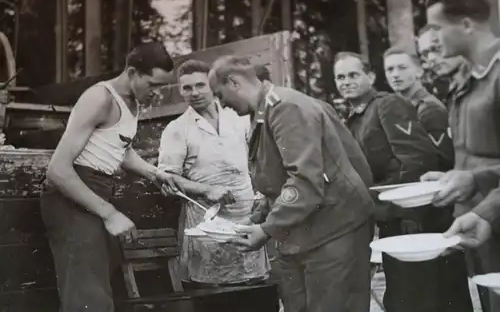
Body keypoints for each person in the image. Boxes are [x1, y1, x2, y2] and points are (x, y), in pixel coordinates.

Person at [208, 55, 374, 312]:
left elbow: (304, 180)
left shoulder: (286, 107)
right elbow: (277, 181)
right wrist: (256, 220)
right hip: (306, 232)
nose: (221, 104)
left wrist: (267, 229)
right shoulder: (265, 112)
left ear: (233, 82)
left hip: (333, 230)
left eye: (220, 95)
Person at [40, 42, 185, 312]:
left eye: (162, 88)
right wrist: (110, 214)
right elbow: (58, 170)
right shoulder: (100, 98)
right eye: (153, 85)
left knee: (102, 290)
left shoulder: (132, 101)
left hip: (97, 193)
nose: (158, 95)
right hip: (72, 196)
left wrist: (154, 173)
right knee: (88, 298)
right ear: (132, 72)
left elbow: (119, 147)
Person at [335, 51, 473, 312]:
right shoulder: (355, 118)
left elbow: (417, 158)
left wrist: (410, 212)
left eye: (353, 74)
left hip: (417, 218)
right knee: (404, 295)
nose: (346, 81)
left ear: (371, 76)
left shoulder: (387, 105)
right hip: (393, 219)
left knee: (429, 296)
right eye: (340, 77)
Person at [157, 59, 270, 288]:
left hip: (247, 215)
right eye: (186, 88)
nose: (194, 93)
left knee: (254, 289)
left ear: (212, 85)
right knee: (215, 294)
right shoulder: (177, 129)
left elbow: (255, 160)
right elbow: (166, 177)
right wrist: (207, 189)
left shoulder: (237, 116)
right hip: (206, 222)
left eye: (200, 85)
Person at [422, 0, 500, 312]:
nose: (434, 39)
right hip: (477, 220)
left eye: (438, 28)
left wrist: (474, 179)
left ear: (467, 25)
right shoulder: (466, 75)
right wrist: (455, 176)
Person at [384, 47, 454, 172]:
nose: (395, 74)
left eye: (402, 68)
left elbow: (443, 160)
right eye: (390, 69)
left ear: (419, 71)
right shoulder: (403, 107)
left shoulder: (429, 109)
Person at [417, 24, 469, 104]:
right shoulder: (441, 93)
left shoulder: (483, 81)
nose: (431, 58)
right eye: (425, 54)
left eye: (436, 48)